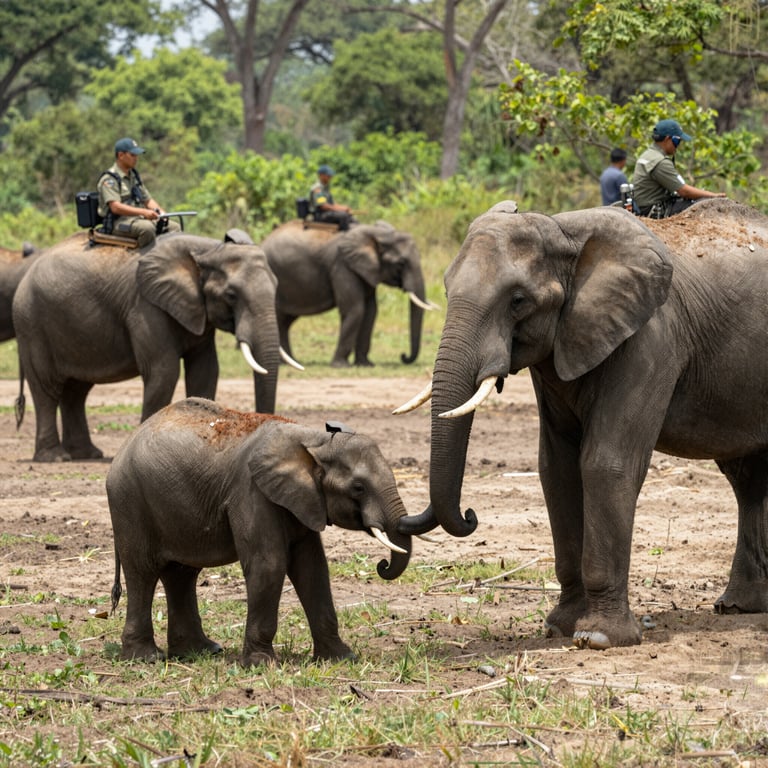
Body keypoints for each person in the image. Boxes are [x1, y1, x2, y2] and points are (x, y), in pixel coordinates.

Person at [632, 119, 726, 218]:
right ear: (667, 139)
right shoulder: (660, 162)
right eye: (677, 141)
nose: (678, 146)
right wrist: (713, 196)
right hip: (656, 210)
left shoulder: (648, 154)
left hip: (645, 205)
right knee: (704, 206)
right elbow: (684, 191)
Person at [97, 137, 180, 248]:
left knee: (174, 228)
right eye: (132, 155)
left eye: (136, 155)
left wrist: (161, 213)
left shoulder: (133, 176)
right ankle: (140, 260)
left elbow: (147, 200)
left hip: (137, 219)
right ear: (121, 155)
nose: (136, 158)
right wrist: (143, 212)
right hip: (118, 222)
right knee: (147, 229)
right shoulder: (109, 179)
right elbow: (115, 207)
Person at [309, 164, 356, 231]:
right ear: (321, 175)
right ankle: (344, 235)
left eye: (330, 175)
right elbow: (323, 206)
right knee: (343, 216)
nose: (330, 177)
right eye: (328, 175)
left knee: (349, 215)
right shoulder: (317, 188)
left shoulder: (325, 187)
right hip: (320, 215)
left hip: (327, 212)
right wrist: (340, 209)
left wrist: (343, 207)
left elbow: (332, 203)